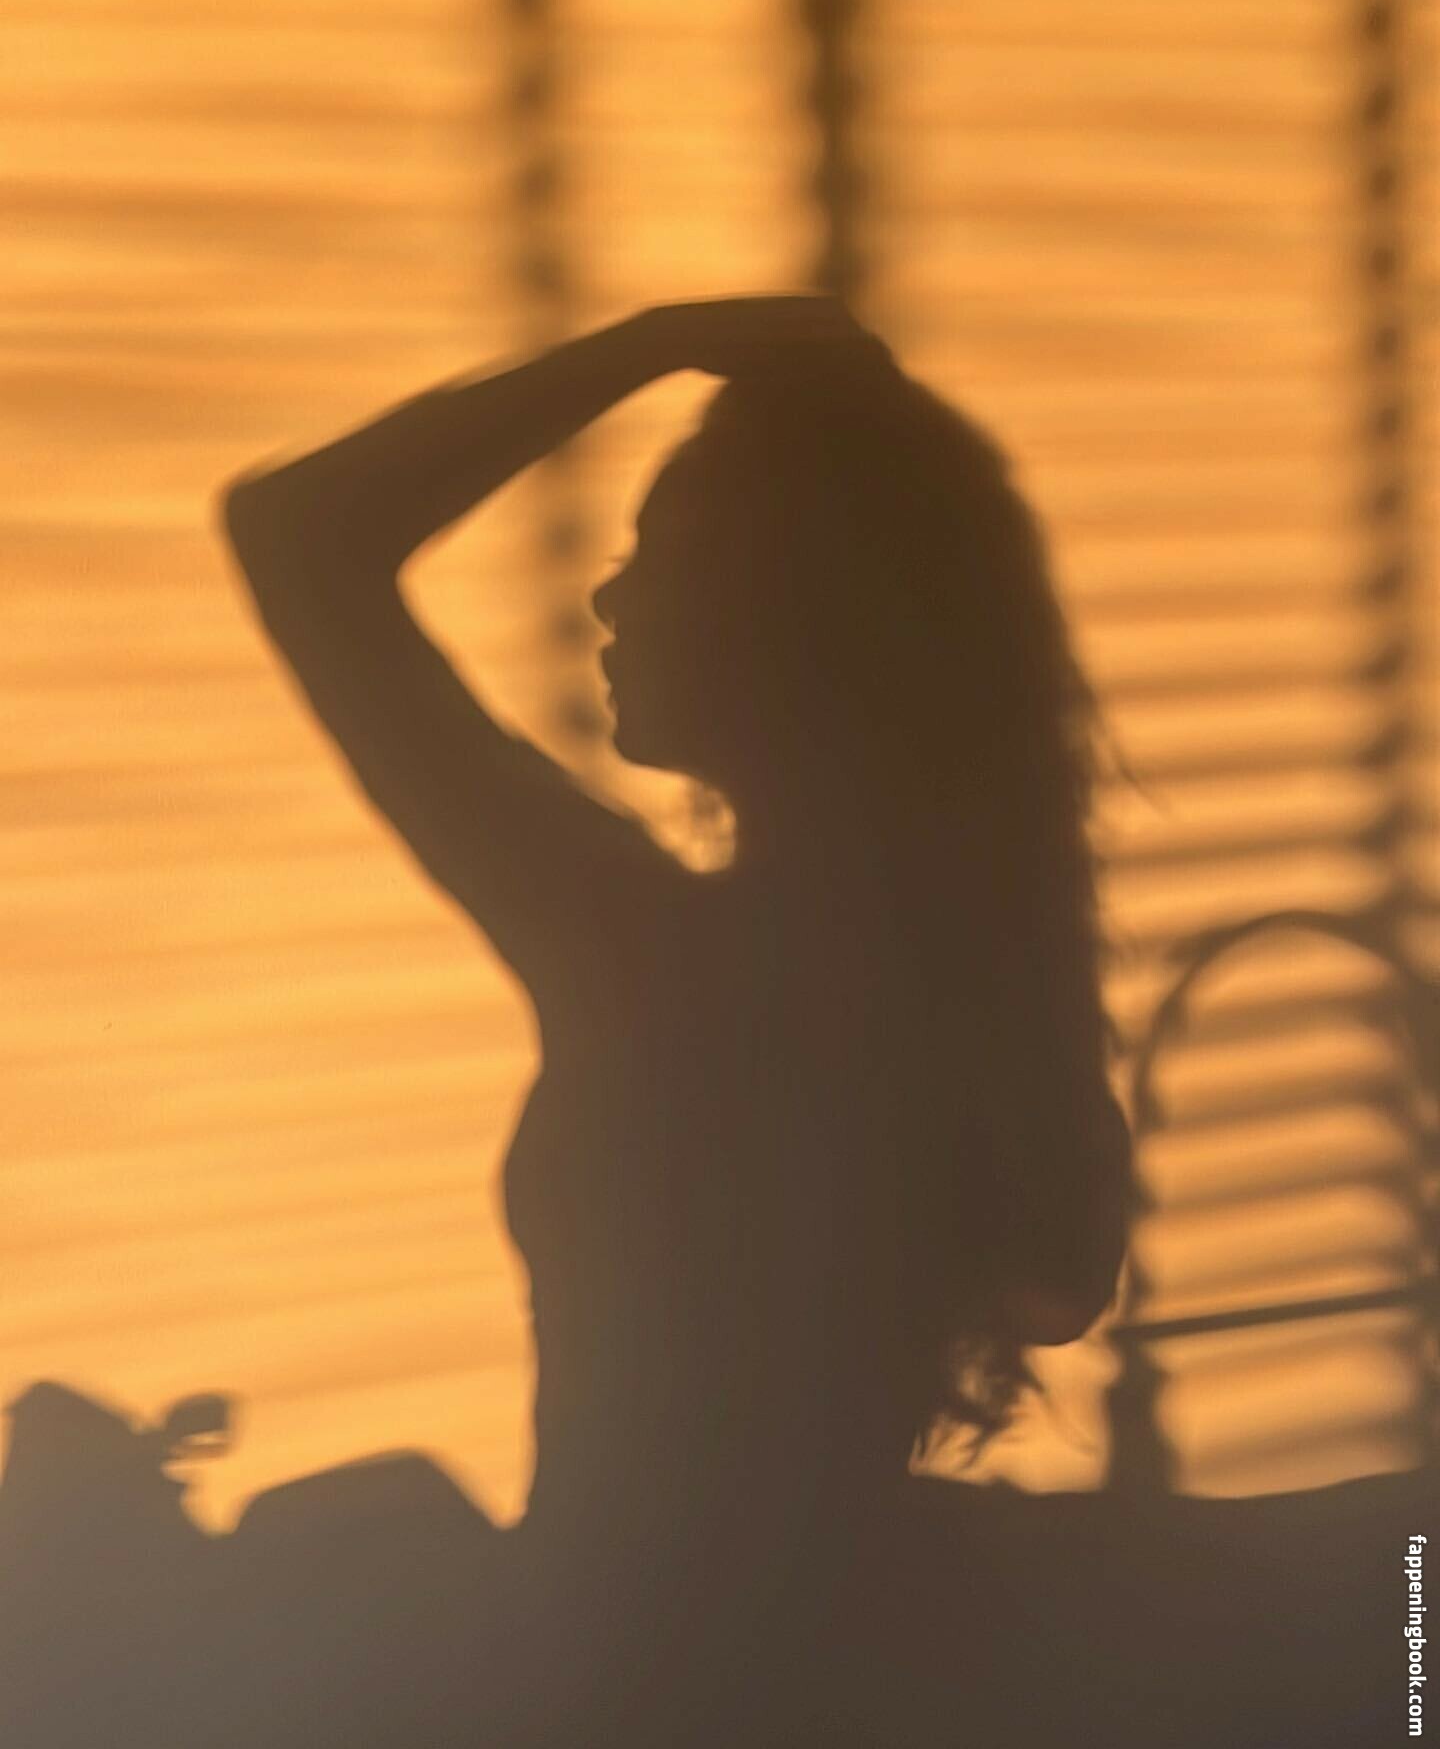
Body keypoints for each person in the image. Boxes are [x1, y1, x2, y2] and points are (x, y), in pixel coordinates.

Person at [219, 296, 1131, 1743]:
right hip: (857, 1675)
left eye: (665, 554)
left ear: (794, 618)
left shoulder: (646, 952)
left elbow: (299, 535)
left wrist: (654, 342)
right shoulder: (963, 977)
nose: (611, 598)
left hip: (641, 1693)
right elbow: (1061, 1283)